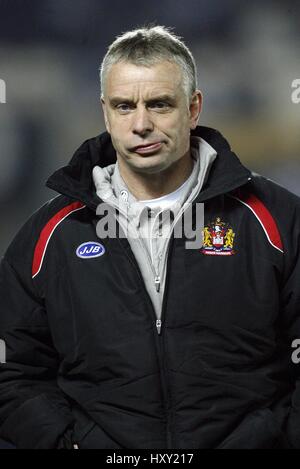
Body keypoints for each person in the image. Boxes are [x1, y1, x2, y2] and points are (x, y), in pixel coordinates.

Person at [0, 25, 300, 450]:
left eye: (159, 104)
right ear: (106, 113)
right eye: (125, 106)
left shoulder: (277, 220)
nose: (141, 124)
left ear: (194, 108)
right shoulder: (49, 236)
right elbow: (13, 371)